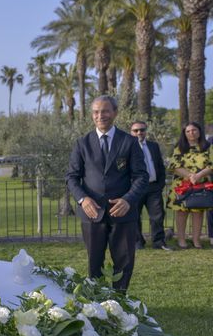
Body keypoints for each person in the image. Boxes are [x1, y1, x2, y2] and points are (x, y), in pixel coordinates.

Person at [66, 96, 148, 291]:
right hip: (92, 213)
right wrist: (82, 199)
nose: (100, 115)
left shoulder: (129, 142)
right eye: (96, 112)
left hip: (123, 213)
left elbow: (141, 177)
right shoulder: (82, 143)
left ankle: (119, 303)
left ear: (115, 112)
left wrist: (128, 200)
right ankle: (96, 305)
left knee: (124, 262)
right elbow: (71, 177)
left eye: (105, 111)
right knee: (94, 263)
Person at [166, 122, 213, 249]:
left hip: (201, 185)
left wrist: (199, 176)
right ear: (184, 133)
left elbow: (211, 164)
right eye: (188, 131)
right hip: (182, 186)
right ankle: (181, 240)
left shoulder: (207, 146)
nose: (191, 133)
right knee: (181, 212)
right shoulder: (179, 147)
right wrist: (191, 176)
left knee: (198, 212)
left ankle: (196, 240)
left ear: (199, 132)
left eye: (194, 130)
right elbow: (173, 166)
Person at [129, 121, 171, 251]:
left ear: (146, 131)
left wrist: (161, 183)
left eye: (141, 130)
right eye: (135, 130)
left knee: (157, 215)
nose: (139, 133)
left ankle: (158, 242)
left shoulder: (153, 146)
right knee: (134, 216)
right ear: (131, 132)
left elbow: (159, 165)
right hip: (135, 188)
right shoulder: (126, 147)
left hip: (153, 187)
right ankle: (137, 242)